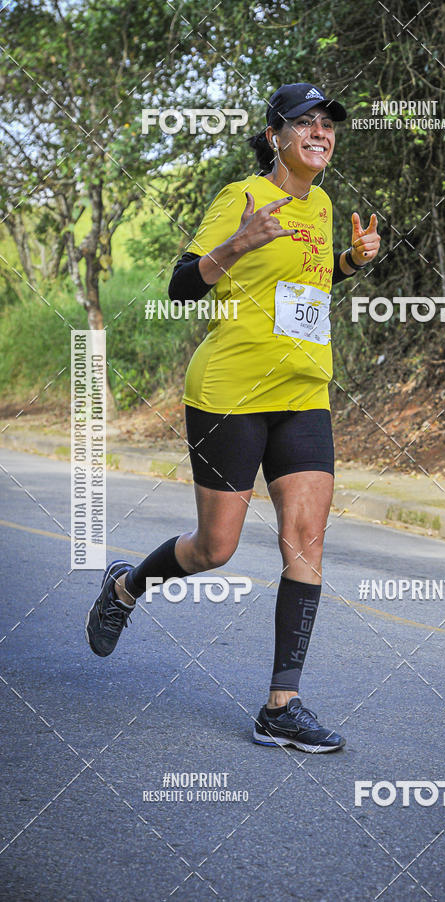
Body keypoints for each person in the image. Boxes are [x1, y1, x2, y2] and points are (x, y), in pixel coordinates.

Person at [86, 83, 381, 753]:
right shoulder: (242, 197)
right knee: (215, 548)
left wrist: (350, 262)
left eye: (328, 124)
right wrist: (241, 240)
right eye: (305, 122)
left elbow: (304, 285)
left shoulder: (326, 204)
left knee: (306, 541)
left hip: (304, 391)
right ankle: (128, 586)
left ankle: (282, 704)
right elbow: (183, 284)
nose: (320, 132)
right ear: (275, 135)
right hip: (230, 394)